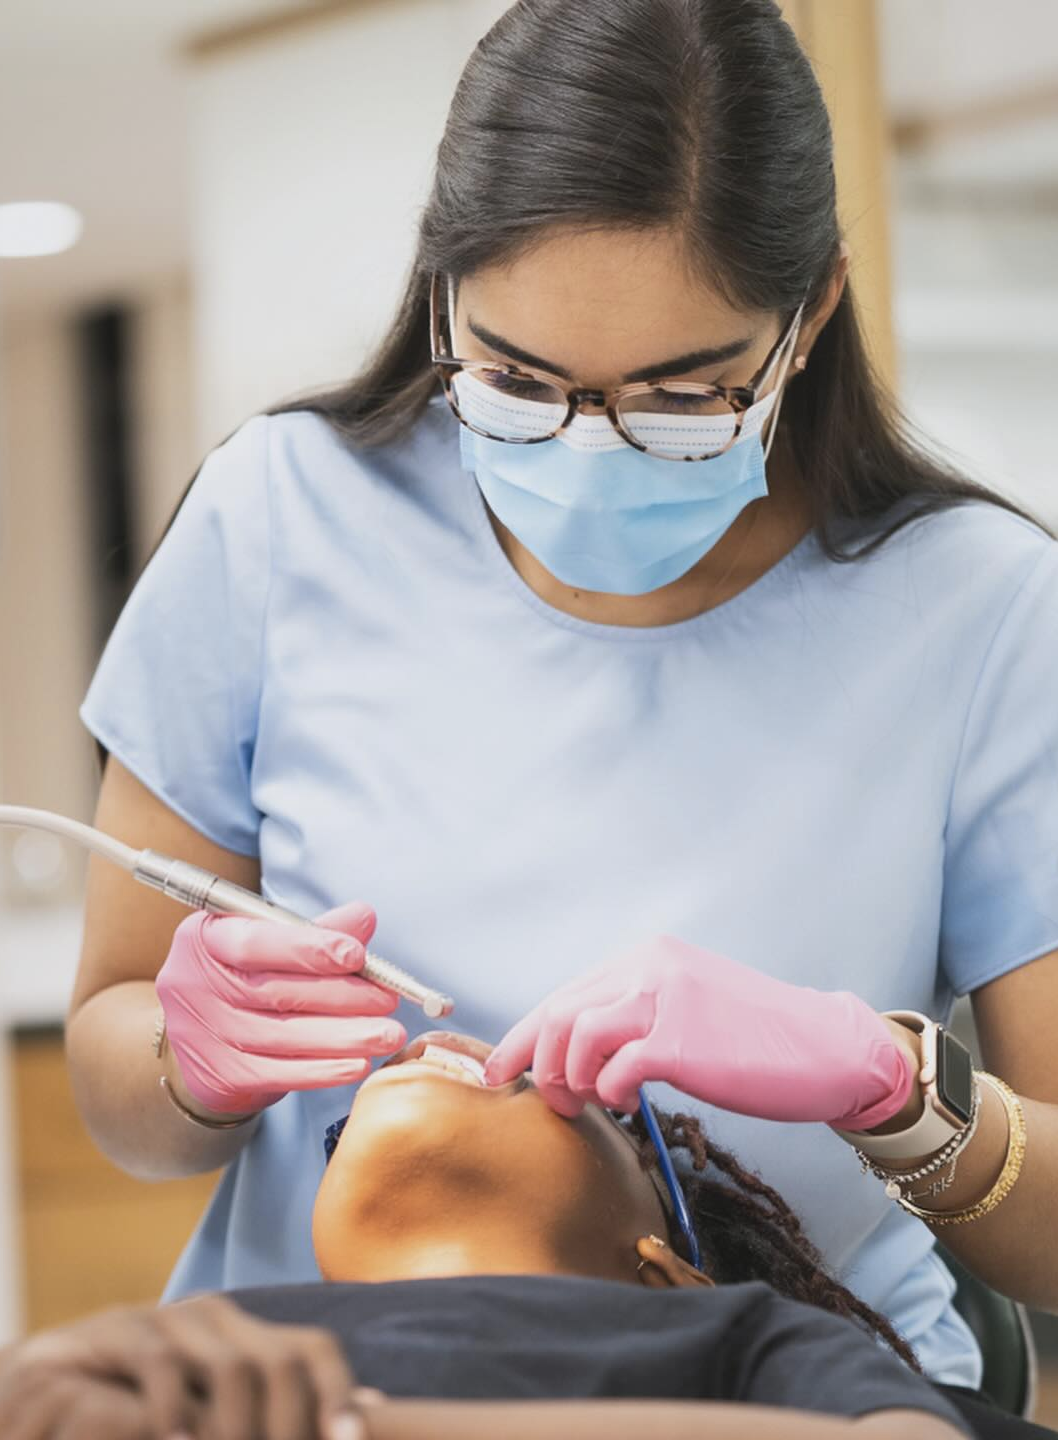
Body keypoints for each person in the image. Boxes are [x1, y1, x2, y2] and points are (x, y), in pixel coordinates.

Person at [66, 0, 1058, 1418]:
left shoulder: (987, 612)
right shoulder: (279, 517)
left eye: (680, 396)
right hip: (291, 1386)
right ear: (440, 294)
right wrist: (180, 1062)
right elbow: (123, 1082)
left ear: (810, 314)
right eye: (518, 382)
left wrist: (886, 1090)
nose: (587, 452)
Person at [1, 1033, 989, 1439]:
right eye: (344, 1130)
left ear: (667, 1270)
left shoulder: (732, 1338)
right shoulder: (219, 1338)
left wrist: (357, 1423)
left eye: (554, 1091)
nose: (437, 1046)